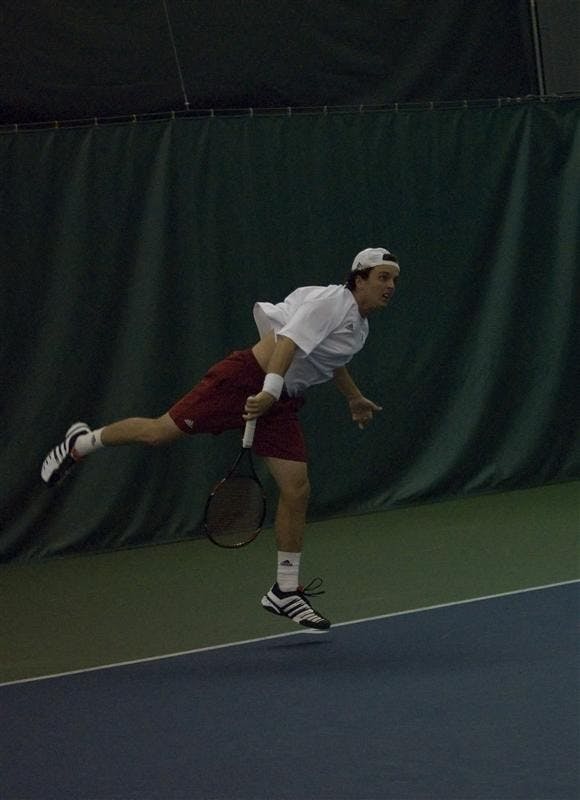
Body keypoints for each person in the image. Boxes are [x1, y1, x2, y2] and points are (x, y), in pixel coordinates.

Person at [41, 247, 400, 631]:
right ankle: (82, 442)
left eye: (394, 279)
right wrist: (268, 389)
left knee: (297, 489)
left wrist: (353, 397)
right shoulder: (332, 302)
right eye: (382, 277)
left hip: (279, 401)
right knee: (158, 433)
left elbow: (328, 359)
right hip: (245, 380)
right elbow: (289, 344)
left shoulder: (359, 326)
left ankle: (285, 590)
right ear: (359, 278)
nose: (390, 286)